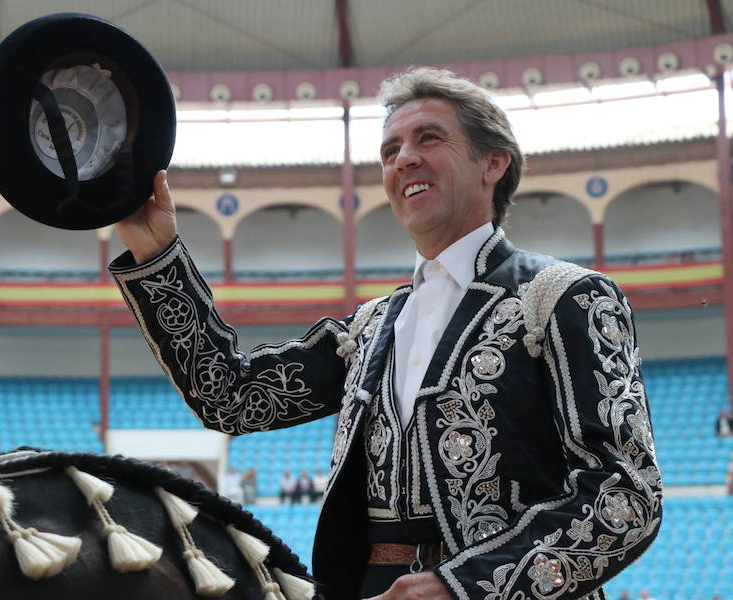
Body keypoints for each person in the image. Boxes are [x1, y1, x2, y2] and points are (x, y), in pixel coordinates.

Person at [110, 67, 662, 600]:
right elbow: (230, 397)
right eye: (390, 150)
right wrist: (156, 253)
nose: (405, 159)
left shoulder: (566, 296)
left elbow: (627, 494)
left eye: (429, 138)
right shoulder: (373, 326)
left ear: (493, 162)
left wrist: (463, 587)